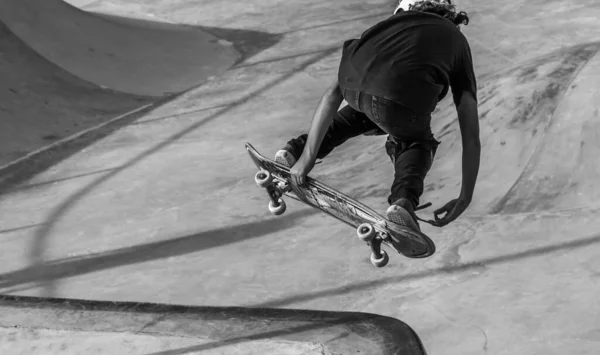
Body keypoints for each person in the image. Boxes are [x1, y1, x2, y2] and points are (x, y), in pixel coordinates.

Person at [274, 0, 480, 251]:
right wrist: (465, 196)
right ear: (451, 19)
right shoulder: (455, 40)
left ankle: (291, 152)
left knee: (365, 110)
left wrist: (306, 157)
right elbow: (470, 133)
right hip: (400, 99)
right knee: (415, 140)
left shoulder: (384, 28)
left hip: (353, 84)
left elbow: (331, 96)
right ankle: (402, 204)